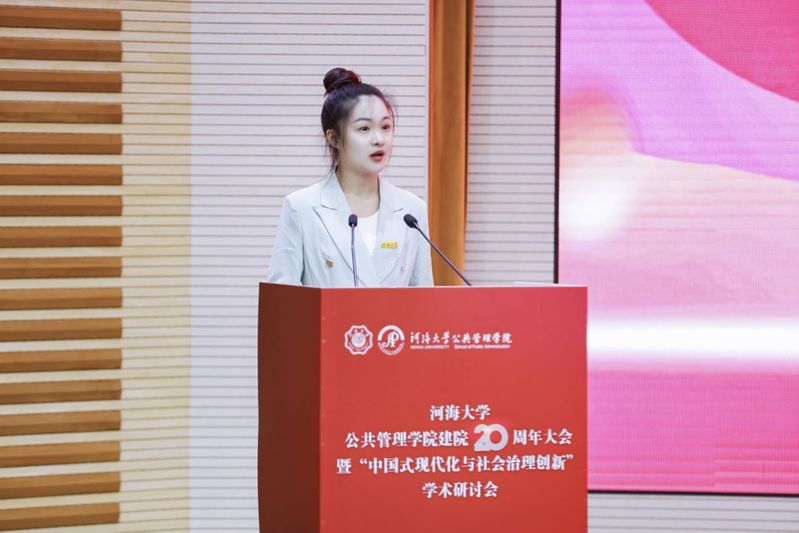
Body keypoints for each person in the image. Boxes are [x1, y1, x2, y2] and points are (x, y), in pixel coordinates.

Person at [267, 68, 434, 287]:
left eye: (386, 127)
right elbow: (282, 298)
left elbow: (424, 298)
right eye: (364, 128)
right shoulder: (301, 207)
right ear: (334, 138)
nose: (379, 139)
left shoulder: (411, 211)